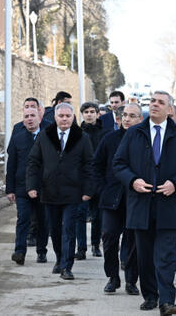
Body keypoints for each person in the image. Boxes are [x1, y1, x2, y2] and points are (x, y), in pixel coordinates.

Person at [113, 90, 176, 315]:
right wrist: (133, 181)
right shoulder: (134, 133)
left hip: (168, 204)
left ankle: (167, 301)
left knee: (166, 256)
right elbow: (119, 164)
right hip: (140, 204)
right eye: (152, 101)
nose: (155, 105)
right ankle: (150, 295)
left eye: (161, 102)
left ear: (170, 109)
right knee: (144, 256)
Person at [26, 103, 95, 280]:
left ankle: (67, 266)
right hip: (50, 191)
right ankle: (59, 258)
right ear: (55, 117)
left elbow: (89, 165)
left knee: (69, 229)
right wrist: (32, 186)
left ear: (73, 117)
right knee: (55, 230)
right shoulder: (45, 136)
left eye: (67, 116)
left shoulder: (82, 137)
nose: (64, 119)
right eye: (61, 116)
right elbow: (34, 162)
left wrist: (88, 189)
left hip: (73, 192)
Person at [96, 104, 143, 295]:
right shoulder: (109, 139)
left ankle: (131, 281)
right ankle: (112, 277)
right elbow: (96, 165)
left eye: (132, 116)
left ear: (141, 119)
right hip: (111, 199)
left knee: (133, 242)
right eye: (124, 115)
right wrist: (101, 189)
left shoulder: (144, 140)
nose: (127, 119)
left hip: (136, 200)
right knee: (108, 238)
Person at [6, 106, 49, 265]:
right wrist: (9, 189)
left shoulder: (48, 138)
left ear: (39, 118)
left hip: (43, 187)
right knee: (23, 218)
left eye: (32, 116)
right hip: (22, 186)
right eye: (26, 116)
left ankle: (41, 251)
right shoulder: (18, 138)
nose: (29, 119)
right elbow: (11, 165)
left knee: (42, 220)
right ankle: (19, 251)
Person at [76, 101, 109, 259]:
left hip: (99, 179)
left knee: (98, 215)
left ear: (97, 113)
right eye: (86, 112)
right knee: (80, 214)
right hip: (81, 180)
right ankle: (81, 248)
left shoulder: (105, 133)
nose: (89, 114)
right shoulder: (76, 132)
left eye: (92, 111)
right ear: (82, 114)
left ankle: (96, 245)